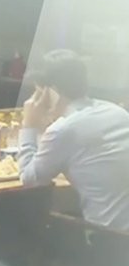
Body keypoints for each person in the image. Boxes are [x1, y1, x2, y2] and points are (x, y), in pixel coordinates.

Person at [19, 49, 129, 231]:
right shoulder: (116, 112)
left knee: (30, 228)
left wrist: (29, 125)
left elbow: (29, 180)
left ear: (50, 92)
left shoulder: (64, 129)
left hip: (109, 237)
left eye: (37, 92)